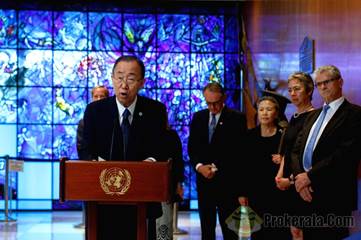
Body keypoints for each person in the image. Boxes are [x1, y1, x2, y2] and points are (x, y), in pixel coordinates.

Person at [83, 55, 168, 240]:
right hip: (102, 200)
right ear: (112, 79)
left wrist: (149, 163)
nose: (124, 84)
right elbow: (86, 149)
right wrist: (98, 164)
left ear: (142, 82)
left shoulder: (156, 111)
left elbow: (161, 148)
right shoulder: (95, 111)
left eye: (130, 79)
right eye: (119, 77)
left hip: (143, 200)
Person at [290, 65, 361, 239]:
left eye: (327, 82)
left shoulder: (355, 114)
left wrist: (310, 176)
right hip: (306, 192)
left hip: (333, 195)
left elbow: (346, 154)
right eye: (318, 84)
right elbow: (296, 150)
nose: (322, 87)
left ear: (340, 82)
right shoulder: (313, 115)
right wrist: (300, 179)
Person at [188, 81, 247, 240]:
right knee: (207, 229)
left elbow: (240, 154)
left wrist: (215, 167)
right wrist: (200, 167)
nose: (213, 108)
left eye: (216, 103)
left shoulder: (237, 119)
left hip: (228, 183)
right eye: (209, 103)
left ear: (224, 98)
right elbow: (192, 148)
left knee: (231, 231)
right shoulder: (198, 117)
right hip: (204, 182)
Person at [239, 96, 291, 240]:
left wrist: (283, 161)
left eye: (269, 109)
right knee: (258, 234)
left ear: (276, 113)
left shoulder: (284, 136)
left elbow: (295, 161)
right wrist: (242, 193)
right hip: (255, 194)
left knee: (279, 233)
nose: (264, 113)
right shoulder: (249, 137)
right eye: (261, 109)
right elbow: (243, 168)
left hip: (279, 194)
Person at [273, 71, 315, 239]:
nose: (292, 93)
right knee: (293, 231)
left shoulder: (314, 116)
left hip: (300, 182)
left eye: (297, 89)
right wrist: (279, 175)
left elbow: (306, 155)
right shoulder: (294, 117)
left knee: (301, 232)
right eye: (290, 90)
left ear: (309, 90)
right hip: (287, 182)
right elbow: (287, 151)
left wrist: (289, 181)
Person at [74, 85, 109, 229]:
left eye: (102, 96)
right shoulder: (84, 121)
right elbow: (82, 146)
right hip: (93, 169)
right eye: (96, 96)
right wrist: (93, 163)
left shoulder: (114, 118)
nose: (99, 99)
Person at [156, 124, 185, 240]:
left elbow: (178, 160)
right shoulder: (142, 132)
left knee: (164, 223)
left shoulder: (171, 135)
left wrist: (179, 183)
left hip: (165, 187)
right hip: (146, 187)